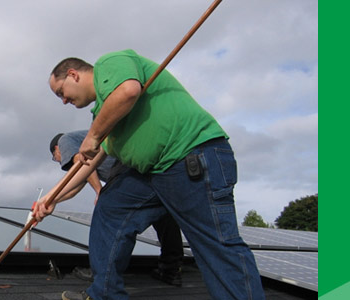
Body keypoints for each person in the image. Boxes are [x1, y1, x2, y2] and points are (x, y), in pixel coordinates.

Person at [34, 50, 265, 300]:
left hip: (191, 157)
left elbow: (128, 91)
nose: (64, 101)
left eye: (61, 93)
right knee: (111, 207)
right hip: (154, 173)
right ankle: (104, 294)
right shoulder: (104, 112)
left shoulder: (109, 64)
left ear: (73, 74)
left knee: (216, 246)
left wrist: (93, 136)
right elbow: (88, 165)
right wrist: (51, 199)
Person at [49, 130, 185, 286]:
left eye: (55, 157)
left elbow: (83, 165)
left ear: (56, 148)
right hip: (152, 168)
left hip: (129, 173)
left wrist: (100, 191)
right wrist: (52, 201)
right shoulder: (82, 140)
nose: (58, 161)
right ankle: (171, 270)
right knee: (165, 217)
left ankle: (100, 274)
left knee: (109, 217)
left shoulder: (65, 140)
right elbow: (78, 184)